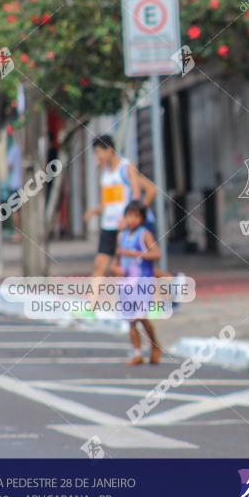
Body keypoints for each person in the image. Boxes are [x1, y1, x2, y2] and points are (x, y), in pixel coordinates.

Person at [110, 201, 162, 365]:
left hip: (142, 281)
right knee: (131, 320)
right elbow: (115, 262)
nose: (131, 220)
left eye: (136, 216)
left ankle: (155, 345)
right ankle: (137, 353)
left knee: (141, 316)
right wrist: (116, 269)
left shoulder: (144, 234)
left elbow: (156, 254)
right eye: (129, 216)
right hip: (126, 283)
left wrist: (134, 254)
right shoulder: (121, 236)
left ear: (141, 218)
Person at [83, 135, 142, 277]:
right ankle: (92, 300)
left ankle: (172, 281)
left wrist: (127, 218)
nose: (97, 157)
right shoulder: (105, 173)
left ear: (109, 150)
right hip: (108, 225)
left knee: (124, 267)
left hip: (124, 226)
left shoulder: (126, 167)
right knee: (100, 264)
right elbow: (106, 203)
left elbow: (136, 195)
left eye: (98, 152)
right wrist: (93, 211)